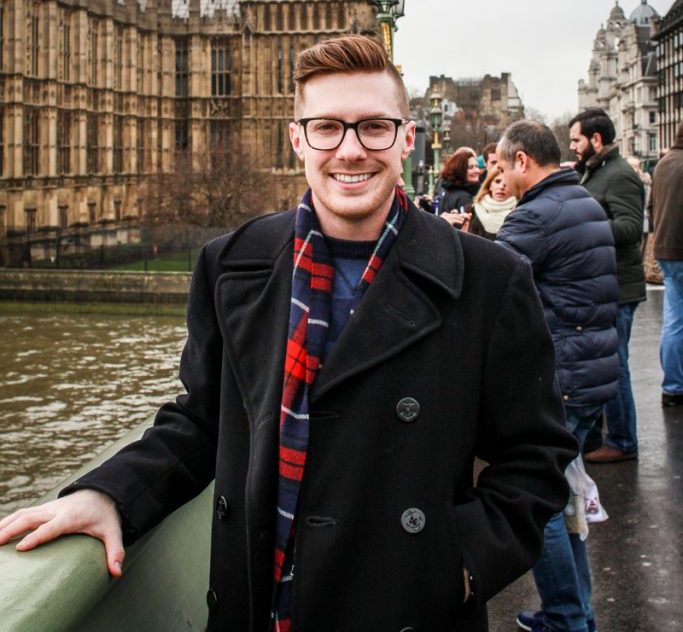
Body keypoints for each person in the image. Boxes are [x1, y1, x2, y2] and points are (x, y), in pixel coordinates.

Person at [0, 35, 575, 632]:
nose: (350, 151)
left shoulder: (489, 279)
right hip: (262, 603)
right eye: (327, 127)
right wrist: (110, 495)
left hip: (409, 610)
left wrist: (457, 564)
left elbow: (535, 458)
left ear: (407, 138)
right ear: (298, 137)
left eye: (374, 127)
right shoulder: (231, 264)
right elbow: (202, 422)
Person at [496, 119, 619, 632]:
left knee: (539, 504)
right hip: (594, 377)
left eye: (503, 167)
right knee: (565, 497)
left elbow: (486, 285)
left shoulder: (535, 216)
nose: (501, 176)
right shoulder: (584, 201)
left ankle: (568, 618)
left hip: (563, 380)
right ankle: (577, 612)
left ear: (522, 161)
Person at [569, 108, 646, 464]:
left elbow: (631, 228)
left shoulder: (619, 175)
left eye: (576, 139)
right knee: (605, 363)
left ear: (596, 140)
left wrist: (584, 228)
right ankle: (606, 436)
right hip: (601, 284)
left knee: (615, 366)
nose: (572, 146)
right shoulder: (596, 171)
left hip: (618, 286)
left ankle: (623, 440)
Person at [650, 120, 683, 407]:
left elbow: (651, 207)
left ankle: (673, 384)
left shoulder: (663, 164)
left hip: (665, 249)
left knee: (674, 320)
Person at [466, 167, 517, 240]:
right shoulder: (471, 210)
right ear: (490, 185)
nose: (501, 187)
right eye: (497, 181)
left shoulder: (520, 213)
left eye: (507, 183)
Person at [434, 147, 480, 228]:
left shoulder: (448, 190)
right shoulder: (463, 197)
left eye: (477, 166)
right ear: (460, 170)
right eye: (471, 167)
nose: (477, 170)